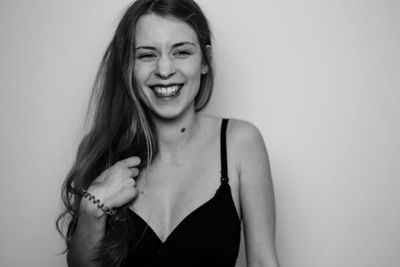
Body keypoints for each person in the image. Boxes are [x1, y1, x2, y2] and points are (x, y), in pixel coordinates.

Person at [57, 0, 279, 266]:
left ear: (205, 61)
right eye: (147, 55)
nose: (164, 70)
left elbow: (263, 261)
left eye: (181, 52)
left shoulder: (240, 142)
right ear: (128, 66)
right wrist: (92, 207)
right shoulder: (100, 148)